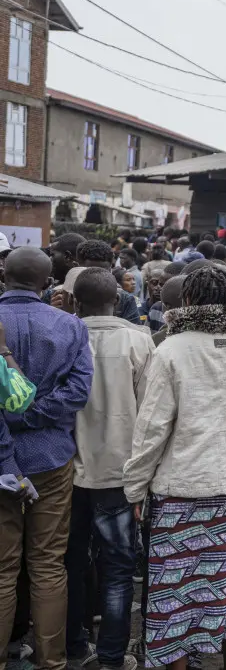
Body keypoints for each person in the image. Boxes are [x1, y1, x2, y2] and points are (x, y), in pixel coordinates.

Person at [123, 264, 226, 670]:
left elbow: (151, 429)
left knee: (175, 593)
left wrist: (135, 487)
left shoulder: (171, 350)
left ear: (186, 301)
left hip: (181, 489)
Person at [0, 248, 92, 670]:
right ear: (48, 281)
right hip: (52, 458)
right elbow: (77, 393)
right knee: (48, 565)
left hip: (4, 462)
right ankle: (51, 661)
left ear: (4, 275)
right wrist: (33, 417)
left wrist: (16, 419)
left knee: (3, 571)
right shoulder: (70, 326)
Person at [66, 268, 155, 670]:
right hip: (120, 473)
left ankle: (72, 645)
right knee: (118, 567)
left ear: (74, 301)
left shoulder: (64, 335)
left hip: (65, 471)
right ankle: (111, 657)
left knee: (69, 561)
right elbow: (151, 415)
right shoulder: (139, 341)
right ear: (117, 299)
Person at [61, 239, 143, 326]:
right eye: (90, 272)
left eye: (104, 272)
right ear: (76, 266)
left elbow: (134, 333)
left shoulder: (125, 300)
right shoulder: (60, 295)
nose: (98, 277)